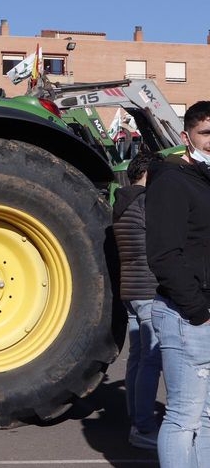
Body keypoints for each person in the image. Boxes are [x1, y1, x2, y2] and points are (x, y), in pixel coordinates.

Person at [146, 100, 210, 467]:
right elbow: (164, 255)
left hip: (200, 310)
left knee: (207, 417)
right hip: (187, 314)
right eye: (206, 133)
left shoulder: (203, 181)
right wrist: (198, 311)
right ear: (186, 137)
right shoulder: (172, 181)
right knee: (184, 416)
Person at [112, 149, 163, 450]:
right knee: (151, 360)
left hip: (130, 290)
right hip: (148, 289)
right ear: (148, 175)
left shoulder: (121, 203)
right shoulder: (146, 203)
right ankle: (143, 426)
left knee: (137, 357)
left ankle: (135, 417)